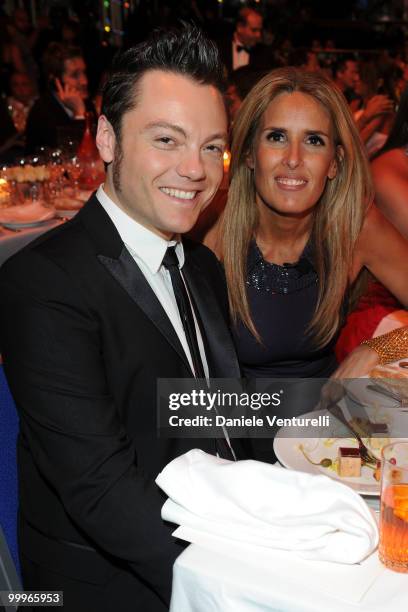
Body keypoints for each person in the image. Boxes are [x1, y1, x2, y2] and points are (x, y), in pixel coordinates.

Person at [0, 25, 242, 611]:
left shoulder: (200, 264)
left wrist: (334, 422)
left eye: (212, 146)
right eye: (167, 140)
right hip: (109, 586)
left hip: (215, 537)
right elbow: (101, 489)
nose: (196, 170)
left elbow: (224, 414)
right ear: (107, 139)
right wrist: (236, 587)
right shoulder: (42, 284)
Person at [205, 67, 408, 383]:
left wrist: (379, 347)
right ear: (248, 154)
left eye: (313, 140)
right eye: (277, 137)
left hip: (318, 424)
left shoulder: (354, 227)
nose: (293, 158)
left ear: (334, 163)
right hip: (224, 420)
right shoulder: (209, 220)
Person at [25, 43, 93, 152]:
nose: (84, 81)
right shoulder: (42, 112)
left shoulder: (87, 103)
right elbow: (74, 156)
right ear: (55, 80)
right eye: (75, 75)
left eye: (84, 72)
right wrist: (80, 114)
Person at [216, 7, 267, 75]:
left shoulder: (264, 53)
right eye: (254, 30)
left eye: (260, 30)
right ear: (239, 27)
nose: (258, 35)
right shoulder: (218, 48)